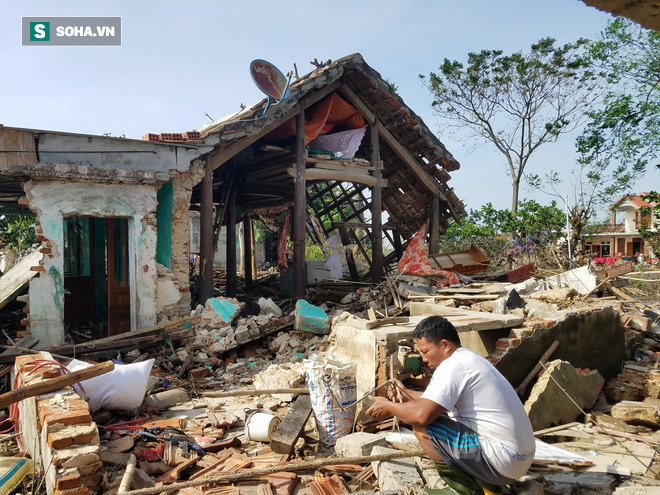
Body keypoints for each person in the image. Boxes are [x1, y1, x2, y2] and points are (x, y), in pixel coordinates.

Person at [366, 316, 535, 494]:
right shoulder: (468, 359)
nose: (423, 358)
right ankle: (490, 489)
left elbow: (422, 415)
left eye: (425, 351)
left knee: (422, 428)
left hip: (502, 463)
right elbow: (433, 400)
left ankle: (467, 491)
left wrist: (388, 406)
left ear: (445, 345)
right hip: (518, 460)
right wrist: (405, 394)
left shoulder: (452, 366)